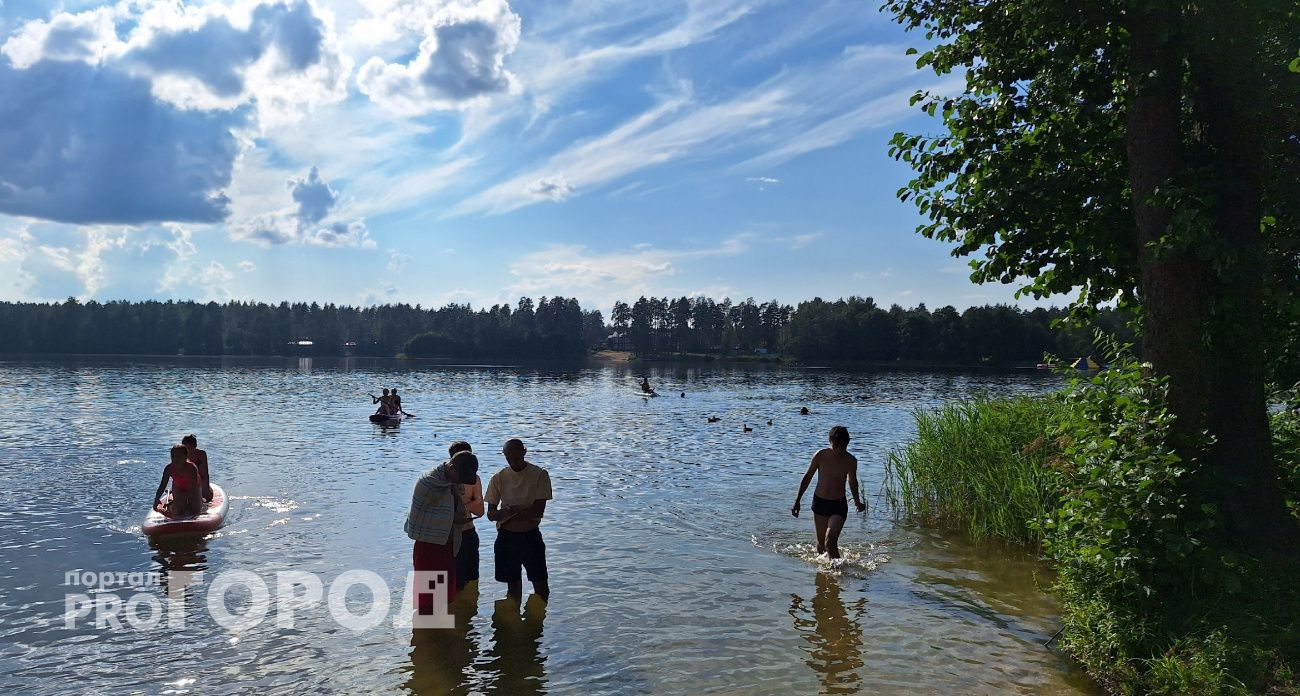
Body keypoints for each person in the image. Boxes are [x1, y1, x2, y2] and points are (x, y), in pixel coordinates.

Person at [406, 451, 479, 614]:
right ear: (451, 467)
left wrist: (457, 519)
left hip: (448, 547)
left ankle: (440, 635)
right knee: (428, 602)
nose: (462, 482)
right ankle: (425, 636)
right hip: (428, 547)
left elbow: (450, 512)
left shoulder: (454, 484)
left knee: (446, 599)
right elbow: (419, 517)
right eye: (460, 477)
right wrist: (453, 519)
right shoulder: (428, 482)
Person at [485, 438, 553, 603]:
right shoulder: (498, 477)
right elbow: (491, 514)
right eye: (509, 458)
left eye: (516, 457)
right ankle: (513, 623)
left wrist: (512, 513)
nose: (513, 462)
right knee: (513, 590)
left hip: (530, 536)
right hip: (506, 538)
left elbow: (538, 510)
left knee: (541, 587)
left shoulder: (539, 474)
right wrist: (507, 512)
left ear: (524, 452)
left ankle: (537, 623)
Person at [791, 426, 866, 559]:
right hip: (820, 502)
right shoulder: (821, 455)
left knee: (830, 541)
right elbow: (807, 477)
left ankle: (837, 573)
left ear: (847, 443)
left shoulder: (851, 461)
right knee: (821, 545)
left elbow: (852, 482)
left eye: (842, 446)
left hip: (839, 505)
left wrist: (857, 502)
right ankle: (823, 575)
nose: (838, 449)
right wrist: (797, 501)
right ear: (830, 441)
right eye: (836, 445)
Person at [449, 441, 485, 592]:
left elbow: (480, 511)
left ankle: (469, 614)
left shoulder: (475, 479)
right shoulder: (446, 479)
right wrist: (471, 502)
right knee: (455, 583)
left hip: (469, 533)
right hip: (451, 536)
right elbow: (476, 504)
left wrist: (462, 507)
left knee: (472, 580)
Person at [153, 445, 204, 518]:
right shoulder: (168, 468)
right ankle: (174, 506)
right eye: (173, 456)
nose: (175, 459)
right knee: (179, 509)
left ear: (185, 456)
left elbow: (192, 489)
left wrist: (180, 499)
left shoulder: (192, 468)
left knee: (195, 511)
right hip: (178, 487)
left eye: (178, 456)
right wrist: (156, 499)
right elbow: (162, 485)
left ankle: (188, 504)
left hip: (193, 488)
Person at [180, 434, 212, 502]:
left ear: (194, 446)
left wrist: (206, 488)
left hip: (200, 480)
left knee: (207, 496)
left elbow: (205, 474)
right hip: (188, 482)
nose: (186, 451)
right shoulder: (181, 456)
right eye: (184, 448)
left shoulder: (201, 454)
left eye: (188, 448)